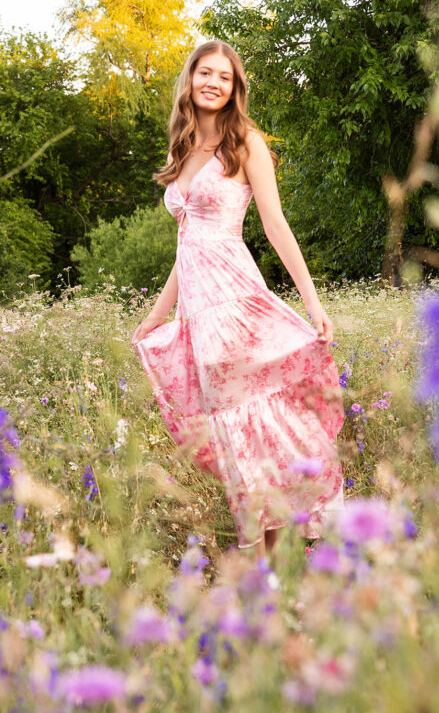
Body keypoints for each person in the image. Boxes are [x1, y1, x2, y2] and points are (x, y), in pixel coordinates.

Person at [132, 40, 344, 557]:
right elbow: (187, 246)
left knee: (258, 418)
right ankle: (269, 561)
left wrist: (312, 302)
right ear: (190, 79)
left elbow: (274, 224)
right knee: (232, 430)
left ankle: (285, 545)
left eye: (224, 77)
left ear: (234, 88)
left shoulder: (246, 142)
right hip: (198, 311)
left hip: (236, 298)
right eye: (205, 73)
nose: (213, 83)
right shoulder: (180, 150)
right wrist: (158, 315)